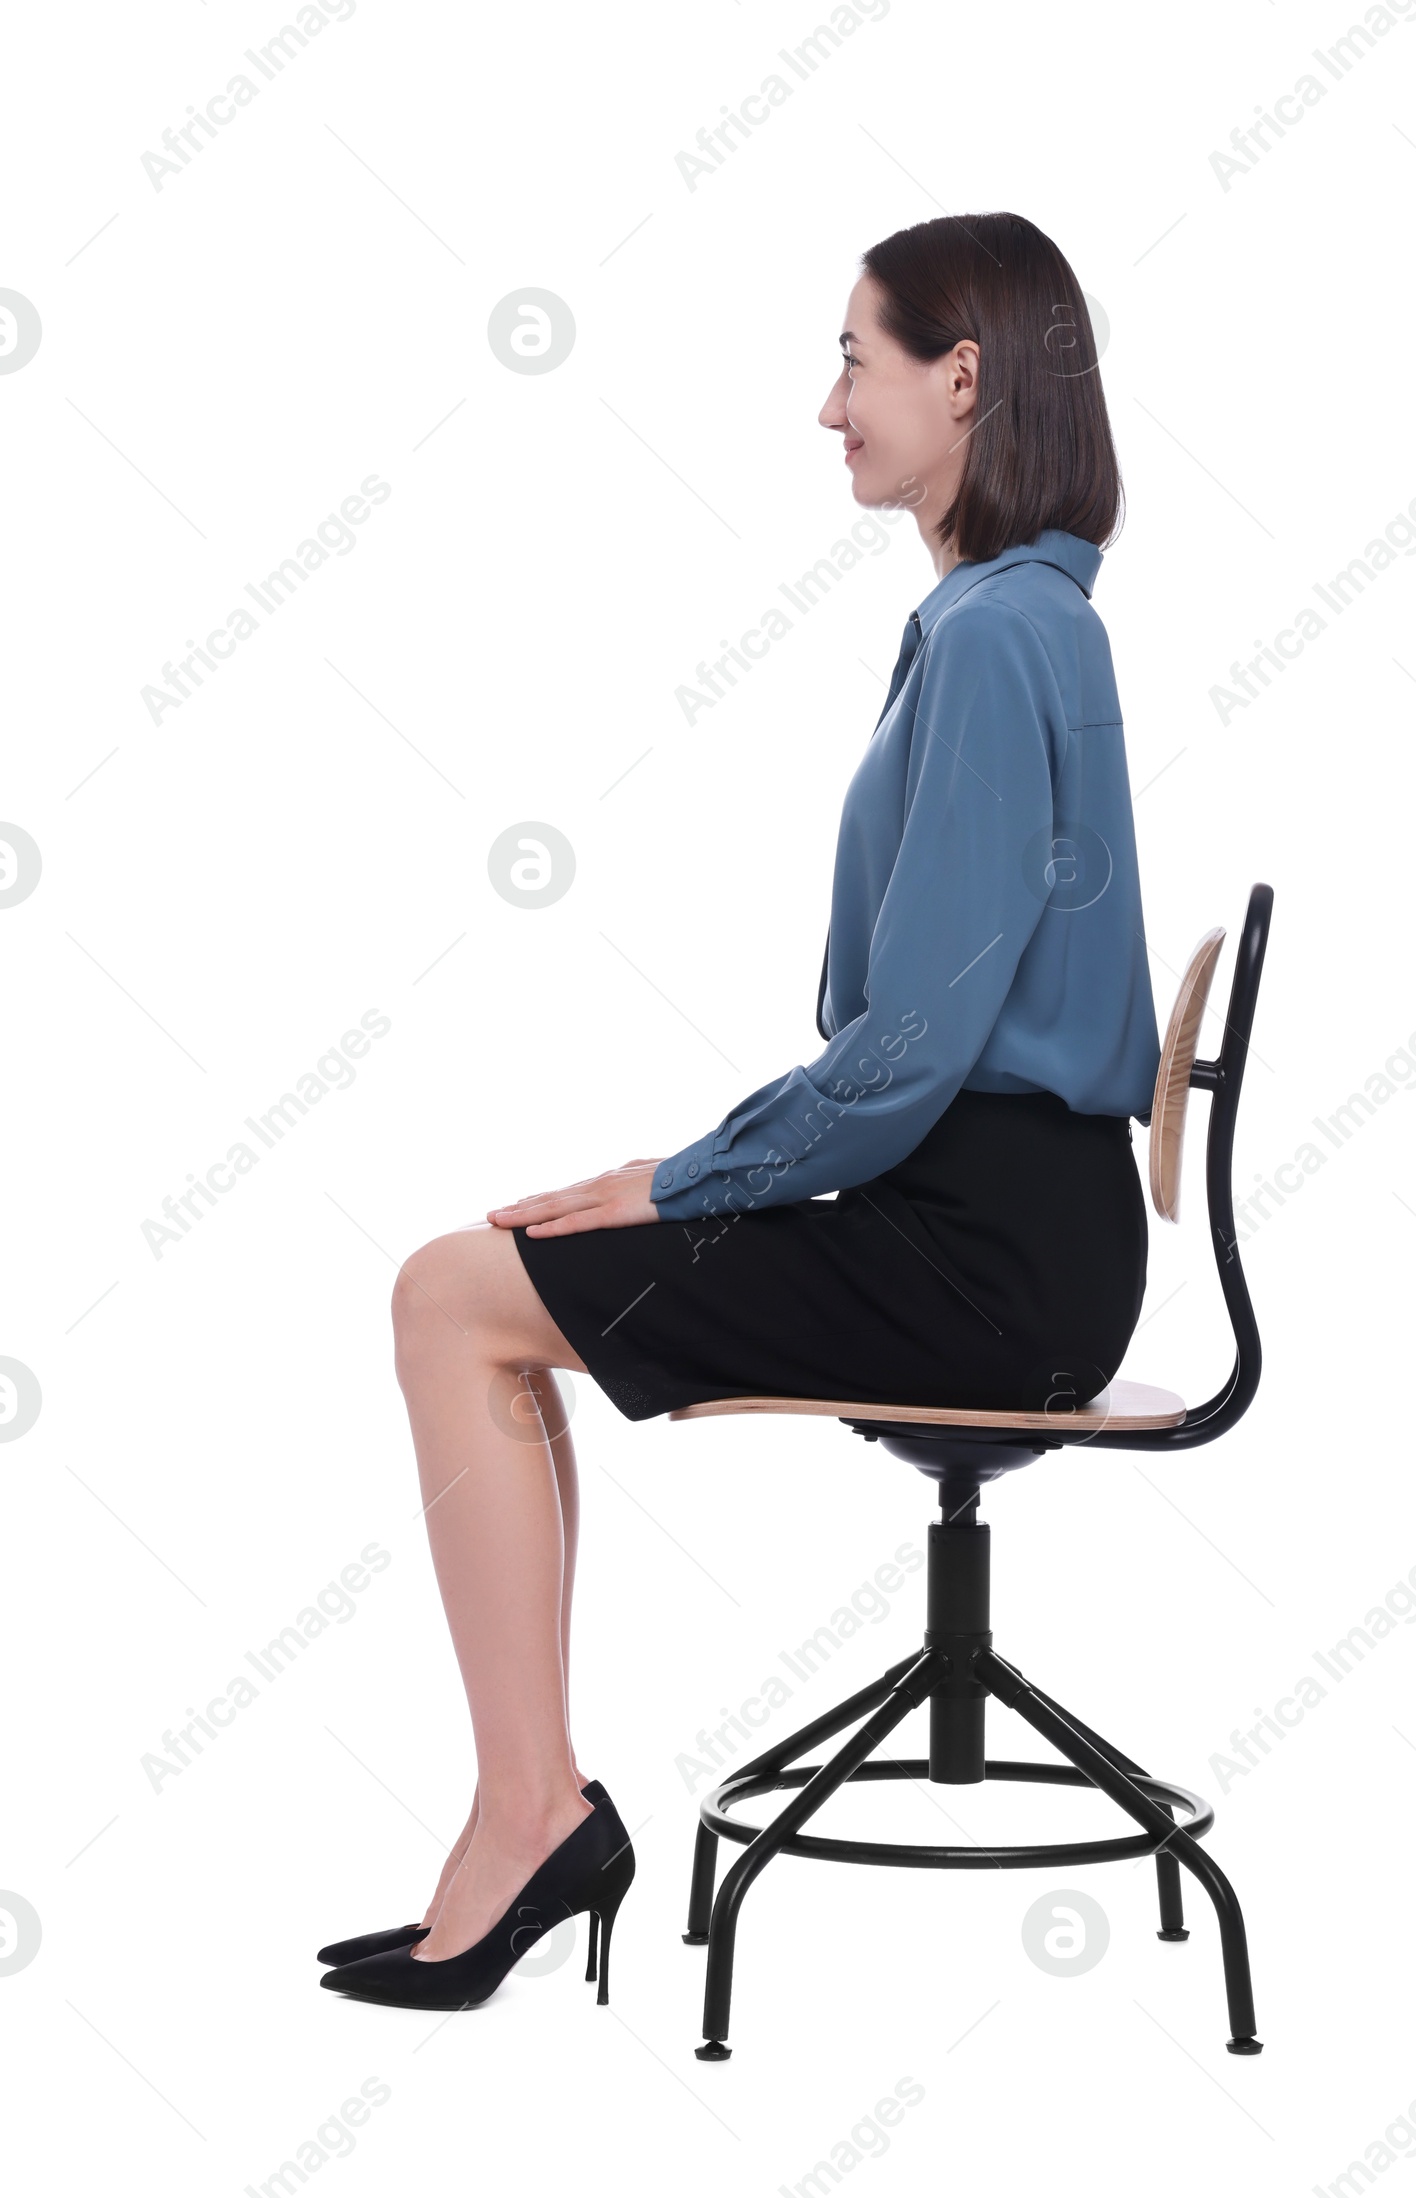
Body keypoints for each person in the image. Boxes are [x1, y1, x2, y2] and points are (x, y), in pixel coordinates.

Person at [318, 211, 1160, 2012]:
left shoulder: (1001, 637)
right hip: (1004, 1223)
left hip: (988, 1255)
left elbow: (912, 1047)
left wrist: (680, 1175)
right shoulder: (1017, 620)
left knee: (448, 1293)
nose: (827, 405)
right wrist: (703, 1174)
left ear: (965, 374)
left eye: (854, 358)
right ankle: (522, 1811)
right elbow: (910, 1048)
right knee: (486, 1288)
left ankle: (531, 1815)